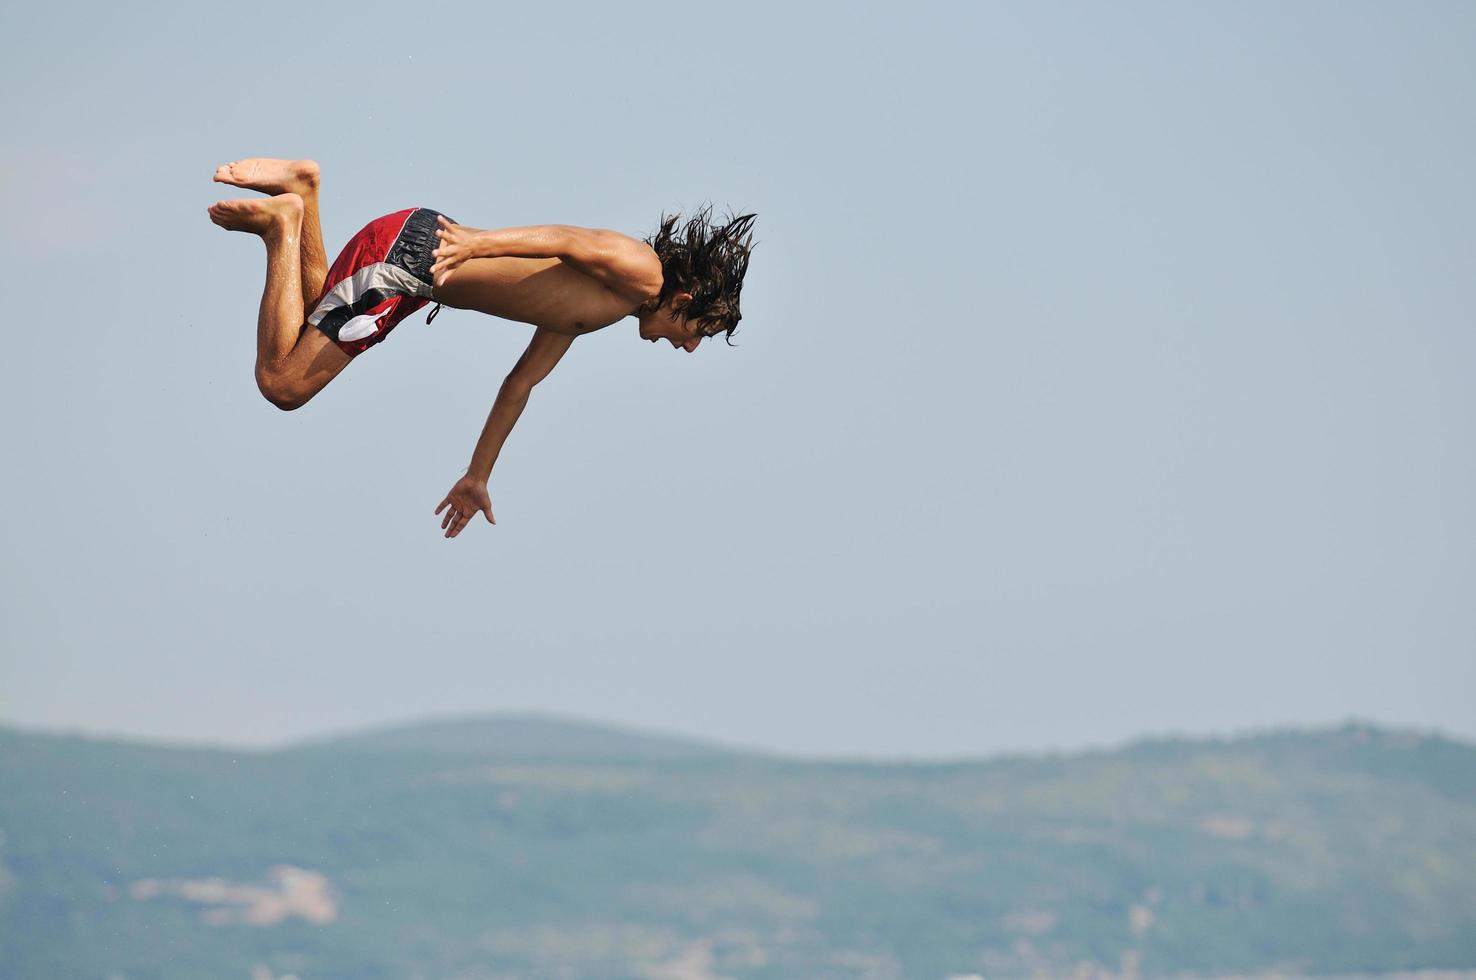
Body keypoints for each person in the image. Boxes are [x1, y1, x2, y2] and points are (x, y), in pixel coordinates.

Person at [207, 158, 756, 539]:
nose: (688, 348)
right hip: (417, 259)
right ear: (685, 299)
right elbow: (570, 238)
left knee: (306, 328)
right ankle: (282, 225)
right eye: (697, 332)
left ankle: (303, 191)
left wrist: (478, 474)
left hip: (413, 270)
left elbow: (519, 385)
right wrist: (478, 242)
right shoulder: (642, 271)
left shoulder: (596, 309)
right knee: (283, 384)